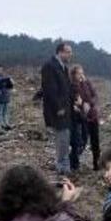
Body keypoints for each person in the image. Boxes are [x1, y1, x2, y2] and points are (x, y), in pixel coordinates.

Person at [41, 43, 73, 175]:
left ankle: (64, 165)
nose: (70, 55)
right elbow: (50, 89)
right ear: (60, 52)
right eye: (68, 52)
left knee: (65, 137)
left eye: (71, 52)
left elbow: (66, 88)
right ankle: (62, 166)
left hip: (66, 108)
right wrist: (58, 107)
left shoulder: (63, 67)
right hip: (58, 110)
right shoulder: (50, 66)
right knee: (62, 137)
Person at [70, 65, 101, 170]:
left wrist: (88, 102)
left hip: (93, 115)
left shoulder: (87, 83)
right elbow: (77, 101)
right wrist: (84, 103)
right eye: (79, 73)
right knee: (82, 141)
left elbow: (95, 96)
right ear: (73, 75)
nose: (81, 75)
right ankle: (72, 161)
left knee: (95, 141)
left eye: (82, 73)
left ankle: (96, 163)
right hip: (82, 117)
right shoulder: (72, 86)